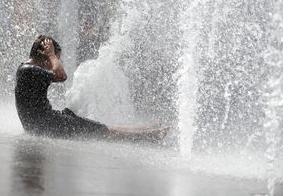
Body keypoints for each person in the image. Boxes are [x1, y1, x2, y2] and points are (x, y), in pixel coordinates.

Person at [14, 35, 168, 142]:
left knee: (95, 126)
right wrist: (52, 55)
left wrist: (51, 56)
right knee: (102, 130)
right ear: (45, 54)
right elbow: (61, 75)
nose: (55, 62)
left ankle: (146, 130)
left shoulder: (26, 69)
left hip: (45, 122)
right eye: (54, 58)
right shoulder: (30, 70)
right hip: (45, 126)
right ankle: (149, 135)